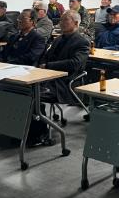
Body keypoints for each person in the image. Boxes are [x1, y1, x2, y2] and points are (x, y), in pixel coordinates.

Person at [34, 10, 90, 144]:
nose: (61, 23)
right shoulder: (58, 39)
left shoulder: (82, 42)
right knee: (25, 91)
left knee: (34, 96)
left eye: (65, 20)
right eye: (61, 20)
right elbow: (46, 57)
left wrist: (48, 66)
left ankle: (40, 133)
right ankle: (27, 130)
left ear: (76, 23)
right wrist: (42, 64)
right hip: (49, 78)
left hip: (65, 83)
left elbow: (74, 64)